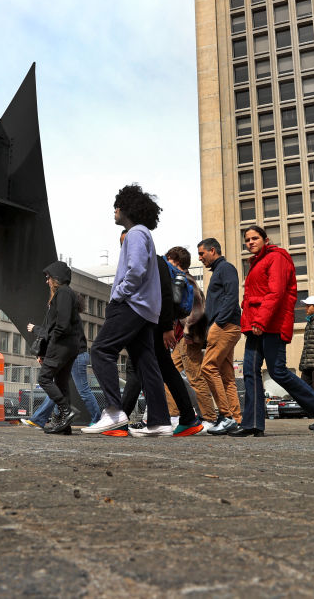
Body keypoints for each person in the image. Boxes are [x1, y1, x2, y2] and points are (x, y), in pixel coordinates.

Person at [83, 184, 171, 436]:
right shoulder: (144, 234)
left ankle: (114, 411)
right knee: (146, 363)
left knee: (101, 350)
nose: (114, 211)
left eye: (117, 206)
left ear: (126, 209)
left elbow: (136, 270)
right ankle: (160, 421)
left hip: (132, 304)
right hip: (146, 310)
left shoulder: (134, 233)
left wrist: (118, 295)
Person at [233, 226, 314, 437]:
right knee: (250, 372)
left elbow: (276, 293)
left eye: (255, 238)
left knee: (277, 371)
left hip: (271, 324)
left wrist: (260, 321)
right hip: (255, 326)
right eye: (247, 239)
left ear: (265, 239)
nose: (250, 242)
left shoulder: (277, 258)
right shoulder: (257, 262)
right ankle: (252, 424)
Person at [116, 247, 204, 437]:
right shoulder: (159, 264)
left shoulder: (157, 263)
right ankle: (187, 418)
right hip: (158, 324)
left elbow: (164, 296)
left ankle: (123, 421)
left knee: (140, 369)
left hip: (153, 325)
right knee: (164, 370)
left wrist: (166, 327)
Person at [25, 261, 87, 435]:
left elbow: (62, 325)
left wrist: (51, 345)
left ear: (56, 278)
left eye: (48, 277)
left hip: (61, 344)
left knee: (44, 378)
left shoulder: (63, 293)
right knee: (61, 383)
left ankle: (67, 410)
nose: (47, 281)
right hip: (68, 345)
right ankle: (64, 425)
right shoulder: (65, 294)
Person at [195, 238, 244, 435]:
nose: (200, 258)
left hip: (225, 326)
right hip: (225, 326)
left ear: (212, 251)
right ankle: (237, 419)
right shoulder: (219, 271)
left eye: (202, 254)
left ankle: (226, 416)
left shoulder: (226, 268)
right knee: (227, 377)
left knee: (207, 367)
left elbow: (232, 296)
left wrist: (218, 323)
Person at [166, 247, 217, 431]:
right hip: (181, 338)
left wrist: (188, 333)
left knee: (195, 377)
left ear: (175, 260)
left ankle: (209, 418)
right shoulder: (183, 280)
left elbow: (196, 311)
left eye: (168, 259)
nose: (166, 263)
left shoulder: (186, 281)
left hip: (188, 337)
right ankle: (174, 416)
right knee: (168, 375)